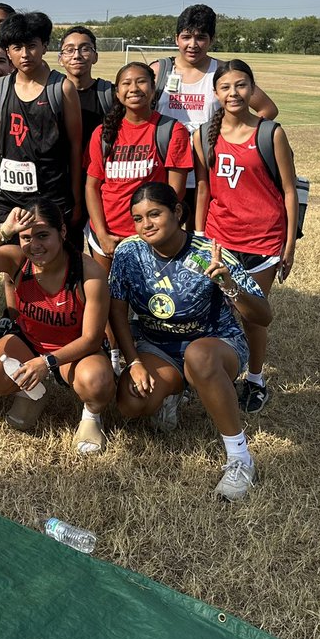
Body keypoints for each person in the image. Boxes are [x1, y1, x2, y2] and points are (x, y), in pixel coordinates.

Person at [109, 182, 270, 501]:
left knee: (199, 358)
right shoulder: (128, 252)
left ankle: (240, 459)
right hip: (158, 348)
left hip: (215, 345)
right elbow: (117, 312)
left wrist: (227, 284)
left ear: (177, 212)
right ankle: (172, 391)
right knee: (132, 403)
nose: (146, 225)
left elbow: (263, 315)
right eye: (138, 218)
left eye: (155, 214)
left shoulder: (207, 251)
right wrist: (135, 362)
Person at [0, 199, 114, 454]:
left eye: (43, 235)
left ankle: (91, 417)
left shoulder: (89, 272)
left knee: (96, 382)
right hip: (31, 341)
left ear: (62, 232)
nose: (34, 245)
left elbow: (91, 339)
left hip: (73, 350)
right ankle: (34, 393)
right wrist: (5, 230)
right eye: (26, 237)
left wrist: (46, 363)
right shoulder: (18, 260)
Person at [194, 59, 298, 414]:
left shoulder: (271, 133)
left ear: (252, 90)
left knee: (252, 314)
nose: (233, 93)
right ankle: (212, 374)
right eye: (225, 87)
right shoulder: (203, 134)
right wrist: (198, 235)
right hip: (219, 240)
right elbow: (204, 190)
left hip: (263, 241)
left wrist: (289, 247)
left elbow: (288, 191)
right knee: (210, 312)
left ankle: (255, 380)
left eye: (241, 86)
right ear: (216, 93)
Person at [152, 5, 277, 224]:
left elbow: (267, 109)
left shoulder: (223, 72)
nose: (193, 44)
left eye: (201, 37)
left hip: (210, 178)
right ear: (176, 39)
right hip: (164, 175)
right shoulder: (158, 71)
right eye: (186, 37)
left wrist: (238, 141)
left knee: (201, 245)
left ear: (212, 39)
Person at [84, 62, 191, 269]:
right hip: (108, 236)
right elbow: (92, 187)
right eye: (126, 83)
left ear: (153, 90)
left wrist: (154, 231)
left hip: (151, 235)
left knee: (153, 300)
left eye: (141, 82)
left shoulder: (171, 130)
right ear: (117, 92)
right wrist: (103, 234)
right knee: (108, 298)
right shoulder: (102, 133)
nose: (134, 88)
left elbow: (175, 191)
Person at [0, 11, 82, 243]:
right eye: (17, 47)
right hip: (7, 198)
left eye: (31, 45)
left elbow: (76, 147)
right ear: (8, 50)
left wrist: (76, 199)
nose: (25, 54)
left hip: (50, 196)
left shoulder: (62, 88)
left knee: (50, 264)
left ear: (44, 46)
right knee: (13, 266)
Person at [58, 26, 113, 155]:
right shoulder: (51, 95)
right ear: (60, 59)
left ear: (95, 57)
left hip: (98, 171)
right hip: (60, 173)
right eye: (69, 50)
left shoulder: (110, 94)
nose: (77, 56)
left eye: (85, 49)